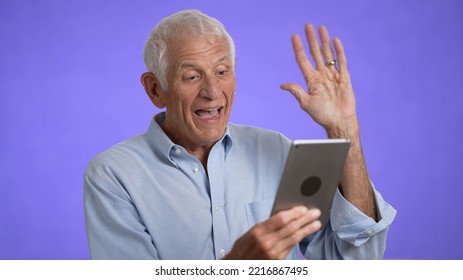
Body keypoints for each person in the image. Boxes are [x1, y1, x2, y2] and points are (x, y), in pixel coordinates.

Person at [84, 9, 396, 260]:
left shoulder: (277, 149)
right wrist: (240, 265)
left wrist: (344, 128)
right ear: (155, 89)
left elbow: (355, 262)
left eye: (222, 72)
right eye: (192, 76)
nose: (212, 91)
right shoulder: (114, 174)